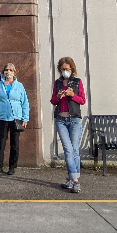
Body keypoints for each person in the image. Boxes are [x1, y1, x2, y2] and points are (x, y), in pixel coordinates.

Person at [51, 56, 86, 193]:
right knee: (68, 149)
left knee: (75, 150)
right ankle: (75, 180)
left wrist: (72, 95)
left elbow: (82, 100)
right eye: (63, 69)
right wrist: (59, 97)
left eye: (67, 69)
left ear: (72, 69)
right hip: (61, 120)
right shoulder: (58, 83)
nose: (65, 71)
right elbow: (53, 100)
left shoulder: (77, 82)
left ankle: (72, 179)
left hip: (74, 119)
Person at [0, 62, 30, 175]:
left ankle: (12, 167)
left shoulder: (19, 86)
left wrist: (25, 118)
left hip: (16, 118)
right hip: (2, 117)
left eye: (10, 70)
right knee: (0, 143)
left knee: (14, 144)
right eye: (6, 69)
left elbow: (25, 103)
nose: (8, 72)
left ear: (14, 72)